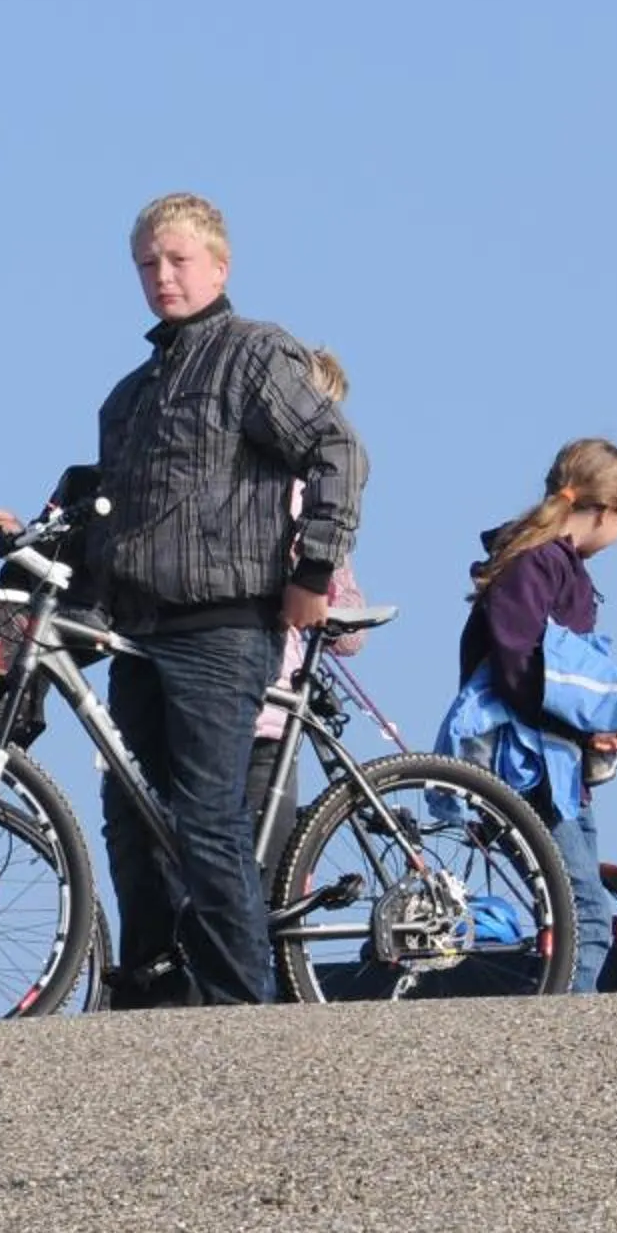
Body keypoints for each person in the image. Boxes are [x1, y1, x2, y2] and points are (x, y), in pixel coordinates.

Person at [79, 192, 365, 1008]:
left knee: (208, 820)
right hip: (138, 630)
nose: (161, 277)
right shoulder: (128, 395)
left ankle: (245, 1010)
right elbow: (111, 509)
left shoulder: (253, 354)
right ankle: (155, 1004)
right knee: (137, 822)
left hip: (221, 625)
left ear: (220, 265)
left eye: (177, 260)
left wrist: (314, 574)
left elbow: (338, 448)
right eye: (147, 264)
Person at [450, 438, 617, 993]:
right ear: (605, 511)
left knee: (578, 910)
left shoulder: (552, 566)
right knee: (585, 915)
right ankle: (563, 1034)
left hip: (559, 768)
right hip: (529, 767)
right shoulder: (535, 565)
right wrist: (580, 724)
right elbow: (522, 669)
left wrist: (595, 733)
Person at [246, 347, 369, 889]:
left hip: (235, 703)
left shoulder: (248, 487)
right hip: (270, 712)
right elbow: (348, 633)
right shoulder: (312, 498)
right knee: (263, 872)